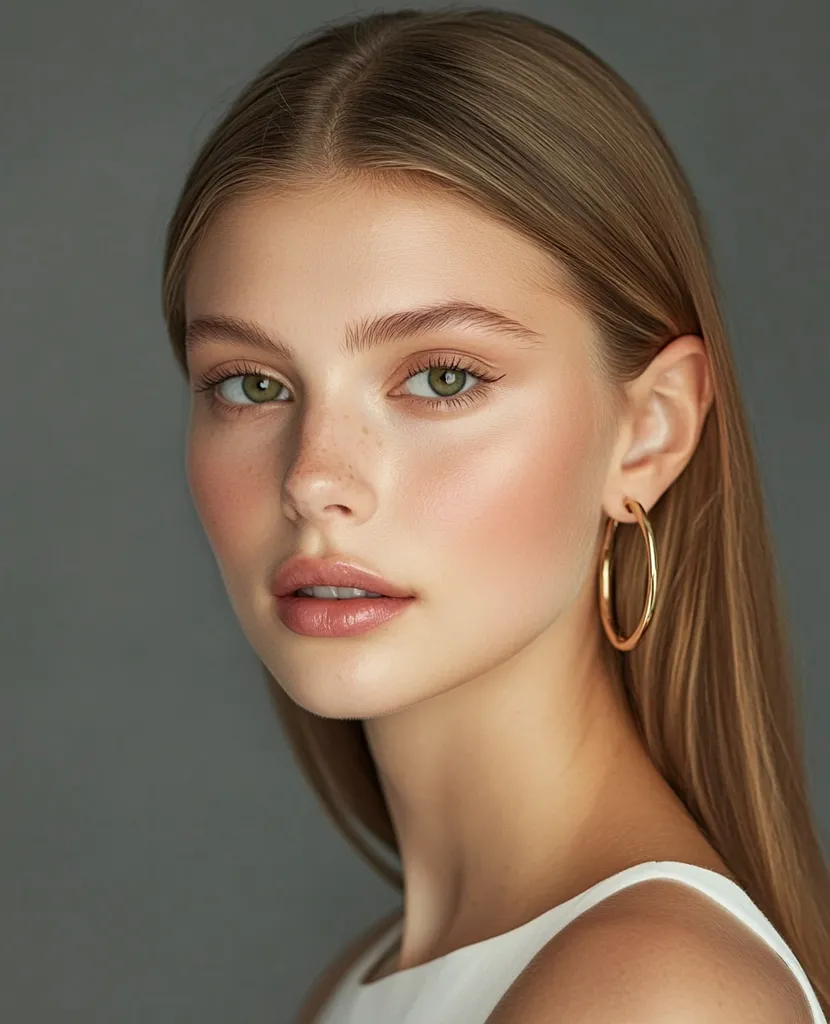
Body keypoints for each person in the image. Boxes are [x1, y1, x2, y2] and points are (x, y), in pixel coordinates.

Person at [160, 6, 830, 1022]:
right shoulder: (364, 981)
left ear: (646, 432)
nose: (312, 478)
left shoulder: (652, 995)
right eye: (251, 384)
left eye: (438, 377)